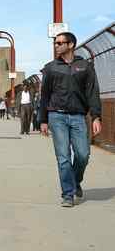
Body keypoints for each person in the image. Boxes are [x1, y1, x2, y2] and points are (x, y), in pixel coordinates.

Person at [39, 32, 102, 207]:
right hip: (56, 116)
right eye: (56, 43)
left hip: (78, 116)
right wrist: (43, 120)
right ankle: (68, 194)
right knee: (64, 157)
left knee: (83, 154)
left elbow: (92, 92)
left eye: (60, 43)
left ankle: (75, 182)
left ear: (71, 45)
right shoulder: (51, 68)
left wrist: (96, 117)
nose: (57, 46)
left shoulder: (85, 66)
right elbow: (44, 96)